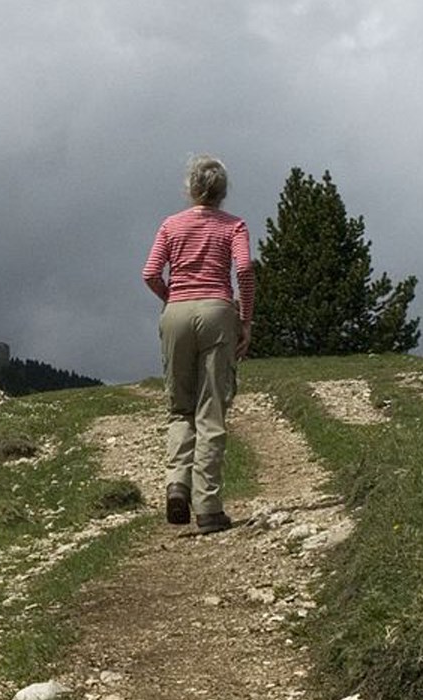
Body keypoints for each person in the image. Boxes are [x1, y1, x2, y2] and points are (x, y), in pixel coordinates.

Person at [141, 154, 254, 534]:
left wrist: (171, 297)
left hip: (176, 312)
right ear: (223, 192)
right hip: (219, 311)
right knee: (211, 410)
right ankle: (208, 507)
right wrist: (245, 320)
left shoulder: (171, 225)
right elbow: (244, 270)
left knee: (180, 408)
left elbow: (150, 272)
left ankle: (177, 484)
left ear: (191, 189)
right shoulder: (234, 226)